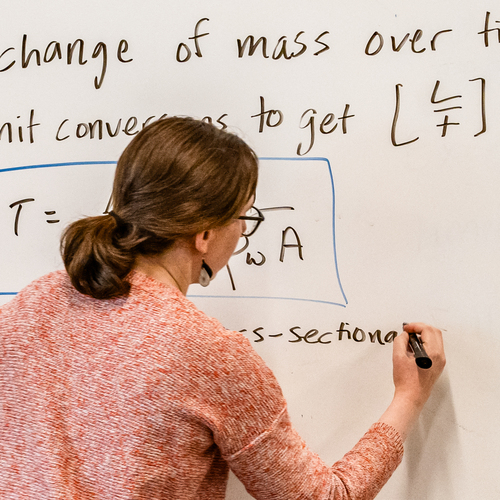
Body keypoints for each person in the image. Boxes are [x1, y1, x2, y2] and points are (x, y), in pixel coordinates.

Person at [0, 116, 446, 500]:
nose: (242, 232)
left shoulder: (31, 303)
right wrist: (410, 396)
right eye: (243, 217)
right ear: (205, 235)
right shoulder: (209, 354)